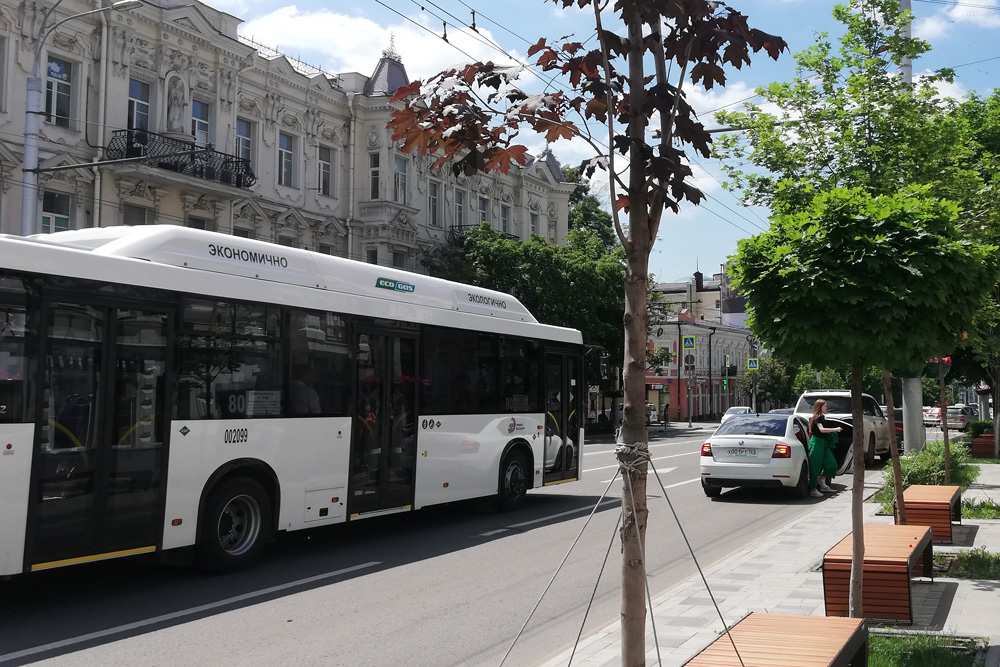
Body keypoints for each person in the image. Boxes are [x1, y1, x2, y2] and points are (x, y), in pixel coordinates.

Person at [808, 399, 841, 498]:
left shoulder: (822, 417)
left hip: (824, 443)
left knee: (832, 464)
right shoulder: (817, 418)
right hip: (817, 443)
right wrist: (835, 429)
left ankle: (822, 482)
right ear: (820, 407)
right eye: (825, 406)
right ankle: (813, 489)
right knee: (815, 467)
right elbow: (821, 430)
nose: (827, 408)